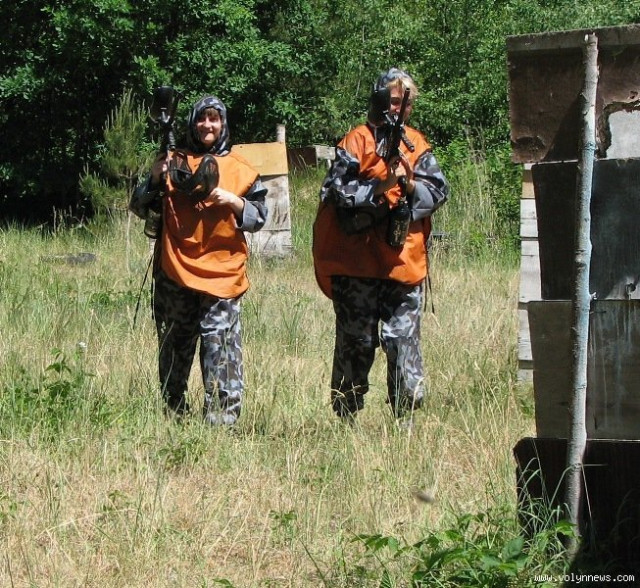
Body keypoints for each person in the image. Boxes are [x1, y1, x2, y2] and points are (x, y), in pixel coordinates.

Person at [312, 68, 449, 424]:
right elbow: (334, 191)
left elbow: (438, 191)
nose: (400, 108)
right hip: (355, 264)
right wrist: (379, 187)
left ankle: (405, 422)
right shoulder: (356, 142)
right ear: (379, 99)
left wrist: (409, 186)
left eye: (406, 103)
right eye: (394, 101)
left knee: (402, 341)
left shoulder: (416, 145)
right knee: (356, 342)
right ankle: (346, 419)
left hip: (402, 263)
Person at [130, 95, 268, 425]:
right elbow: (139, 207)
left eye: (214, 118)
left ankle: (221, 422)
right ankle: (173, 412)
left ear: (223, 124)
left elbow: (261, 217)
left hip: (223, 276)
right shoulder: (173, 161)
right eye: (201, 118)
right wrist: (154, 178)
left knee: (220, 347)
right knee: (174, 345)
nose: (207, 125)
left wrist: (232, 200)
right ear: (193, 122)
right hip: (175, 272)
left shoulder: (241, 169)